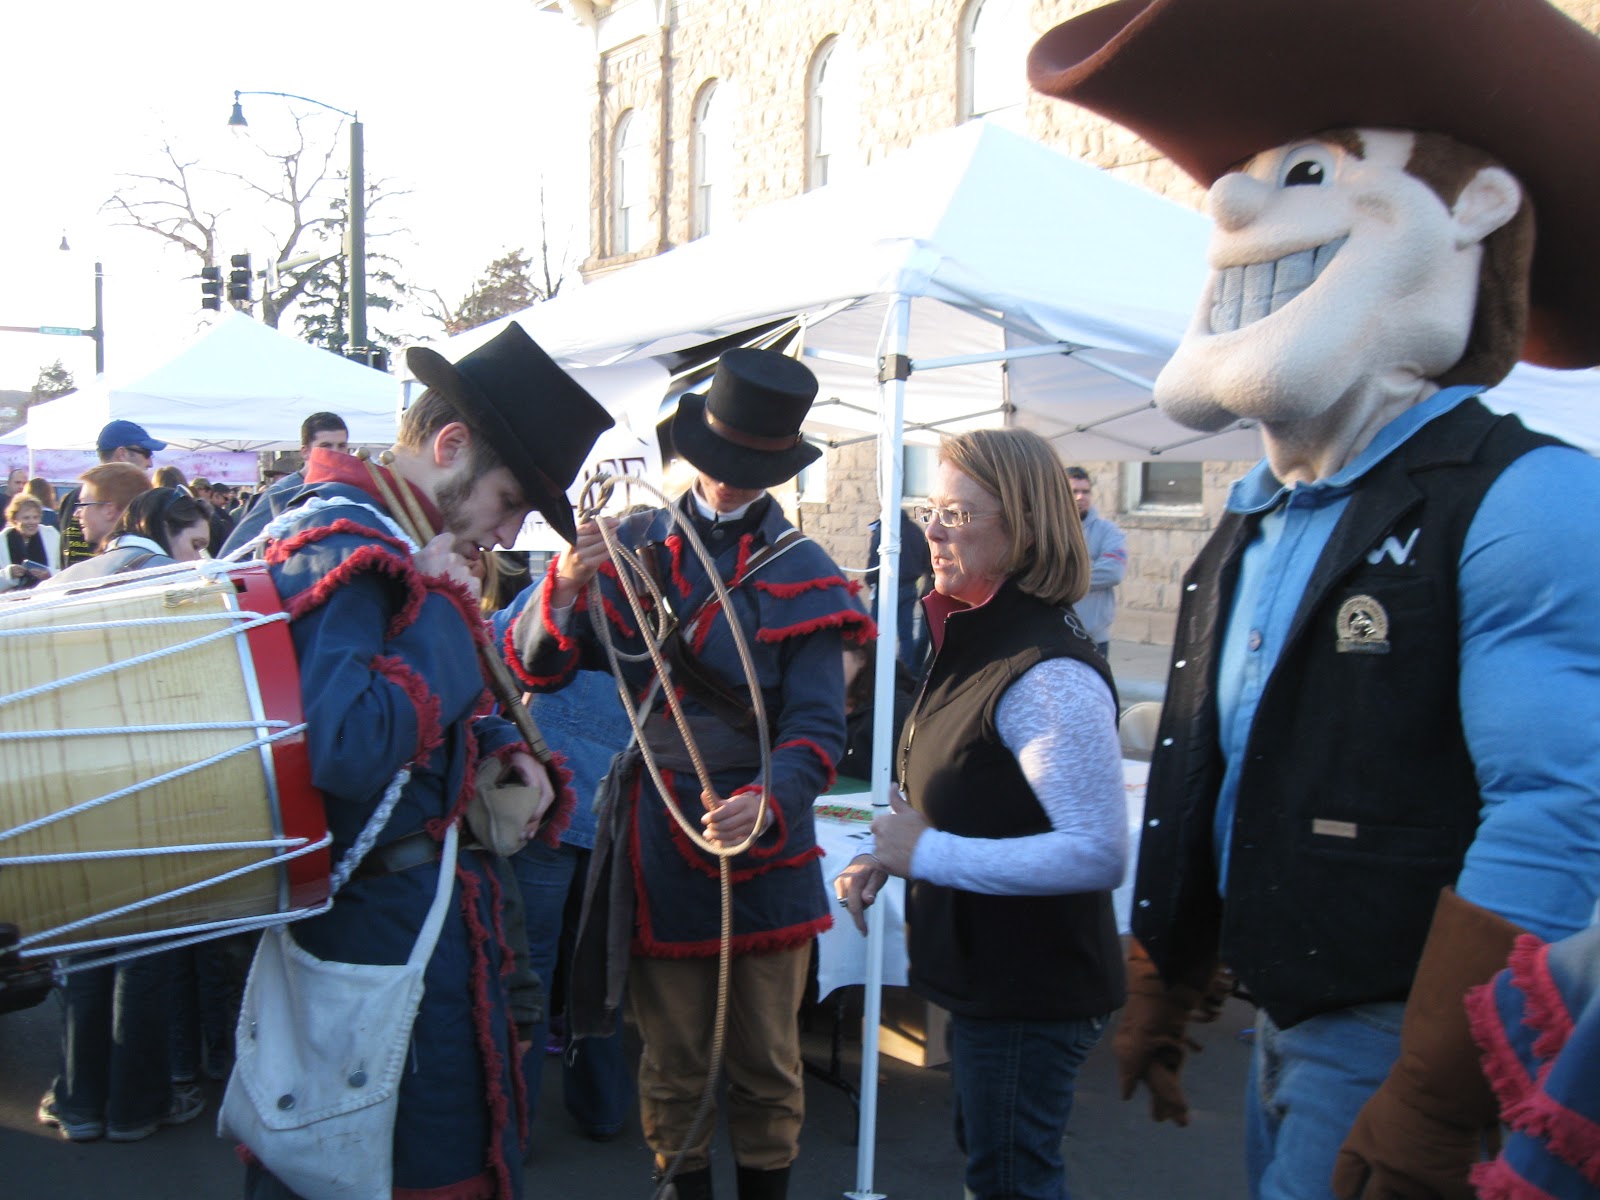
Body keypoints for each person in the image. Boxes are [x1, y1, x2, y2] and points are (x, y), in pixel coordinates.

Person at [1027, 2, 1600, 1197]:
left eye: (1304, 173)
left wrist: (1438, 1092)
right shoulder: (1254, 513)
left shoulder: (1526, 497)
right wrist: (1169, 967)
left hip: (1399, 1022)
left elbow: (1557, 807)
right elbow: (1219, 756)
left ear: (1474, 209)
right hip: (1280, 1010)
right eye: (1244, 174)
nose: (1234, 204)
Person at [236, 322, 611, 1200]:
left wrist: (497, 744)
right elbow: (348, 743)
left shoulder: (396, 541)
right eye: (509, 501)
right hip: (379, 932)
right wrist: (444, 610)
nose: (509, 532)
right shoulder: (351, 543)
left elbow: (419, 709)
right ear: (450, 448)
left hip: (419, 917)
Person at [507, 348, 872, 1200]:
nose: (728, 481)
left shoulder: (805, 573)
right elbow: (540, 669)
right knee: (673, 1066)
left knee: (766, 1067)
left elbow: (820, 727)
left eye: (750, 466)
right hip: (659, 840)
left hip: (766, 847)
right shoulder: (632, 545)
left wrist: (769, 800)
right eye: (718, 460)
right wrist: (566, 583)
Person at [834, 428, 1126, 1200]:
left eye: (958, 515)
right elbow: (972, 793)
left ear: (1023, 527)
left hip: (1029, 988)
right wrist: (889, 851)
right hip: (990, 977)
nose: (932, 530)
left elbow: (1097, 851)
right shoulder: (975, 632)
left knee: (1010, 1180)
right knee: (994, 1165)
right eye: (930, 509)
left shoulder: (1046, 672)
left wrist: (927, 855)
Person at [221, 411, 350, 556]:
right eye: (326, 446)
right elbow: (234, 552)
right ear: (305, 452)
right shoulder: (282, 492)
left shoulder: (349, 490)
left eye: (341, 446)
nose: (335, 453)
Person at [57, 420, 166, 567]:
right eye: (146, 453)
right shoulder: (137, 500)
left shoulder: (71, 498)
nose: (150, 463)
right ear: (122, 454)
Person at [48, 486, 208, 585]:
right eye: (195, 545)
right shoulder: (183, 582)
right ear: (164, 528)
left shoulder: (56, 582)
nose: (199, 559)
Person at [837, 639, 918, 784]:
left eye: (832, 654)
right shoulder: (809, 705)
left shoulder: (891, 711)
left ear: (861, 658)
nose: (820, 665)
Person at [1065, 467, 1125, 659]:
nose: (1080, 497)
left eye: (1085, 491)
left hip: (1094, 638)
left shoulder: (1108, 531)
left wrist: (1061, 578)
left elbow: (1113, 572)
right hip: (1054, 635)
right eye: (1074, 491)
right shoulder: (1046, 531)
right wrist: (1090, 568)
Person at [864, 507, 932, 668]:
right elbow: (925, 561)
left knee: (875, 632)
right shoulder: (916, 531)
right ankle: (908, 670)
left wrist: (871, 582)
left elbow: (874, 561)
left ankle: (873, 667)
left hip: (886, 588)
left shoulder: (884, 532)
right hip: (909, 587)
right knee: (906, 634)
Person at [1, 492, 62, 590]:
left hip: (44, 594)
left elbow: (65, 570)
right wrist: (9, 573)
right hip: (12, 597)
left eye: (35, 517)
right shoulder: (2, 540)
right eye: (26, 518)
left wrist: (49, 573)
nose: (32, 522)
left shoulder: (52, 535)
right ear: (14, 519)